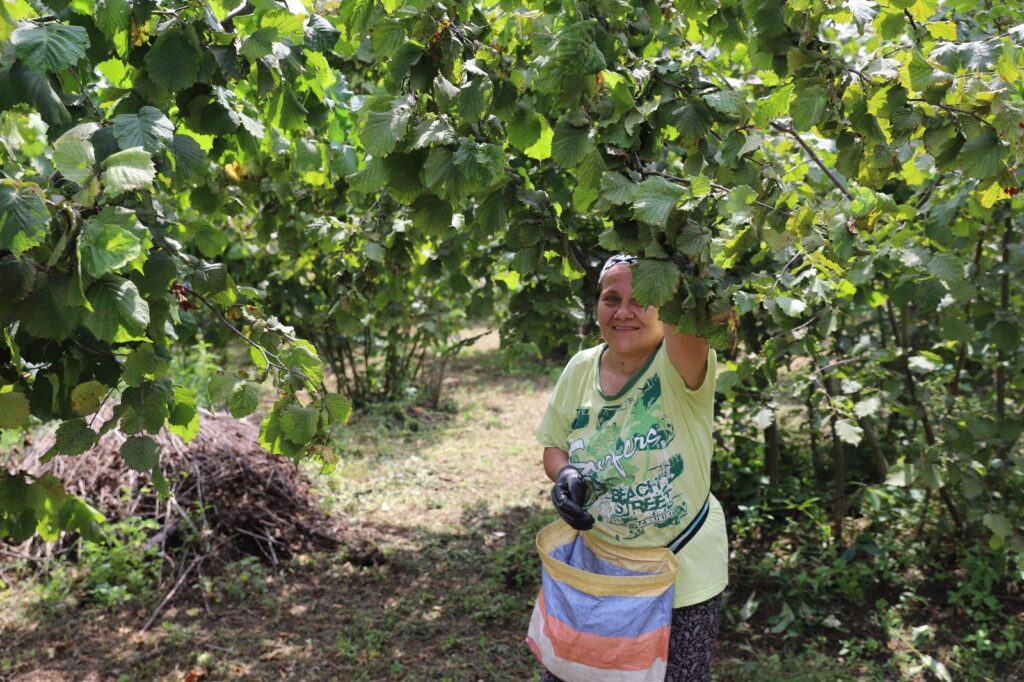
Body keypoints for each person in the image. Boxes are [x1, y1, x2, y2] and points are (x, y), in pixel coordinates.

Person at [536, 254, 728, 682]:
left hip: (680, 571)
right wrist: (565, 475)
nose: (624, 312)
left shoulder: (680, 362)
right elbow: (555, 445)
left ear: (664, 304)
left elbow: (686, 297)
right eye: (611, 298)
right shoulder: (581, 368)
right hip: (596, 569)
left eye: (642, 298)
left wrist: (665, 227)